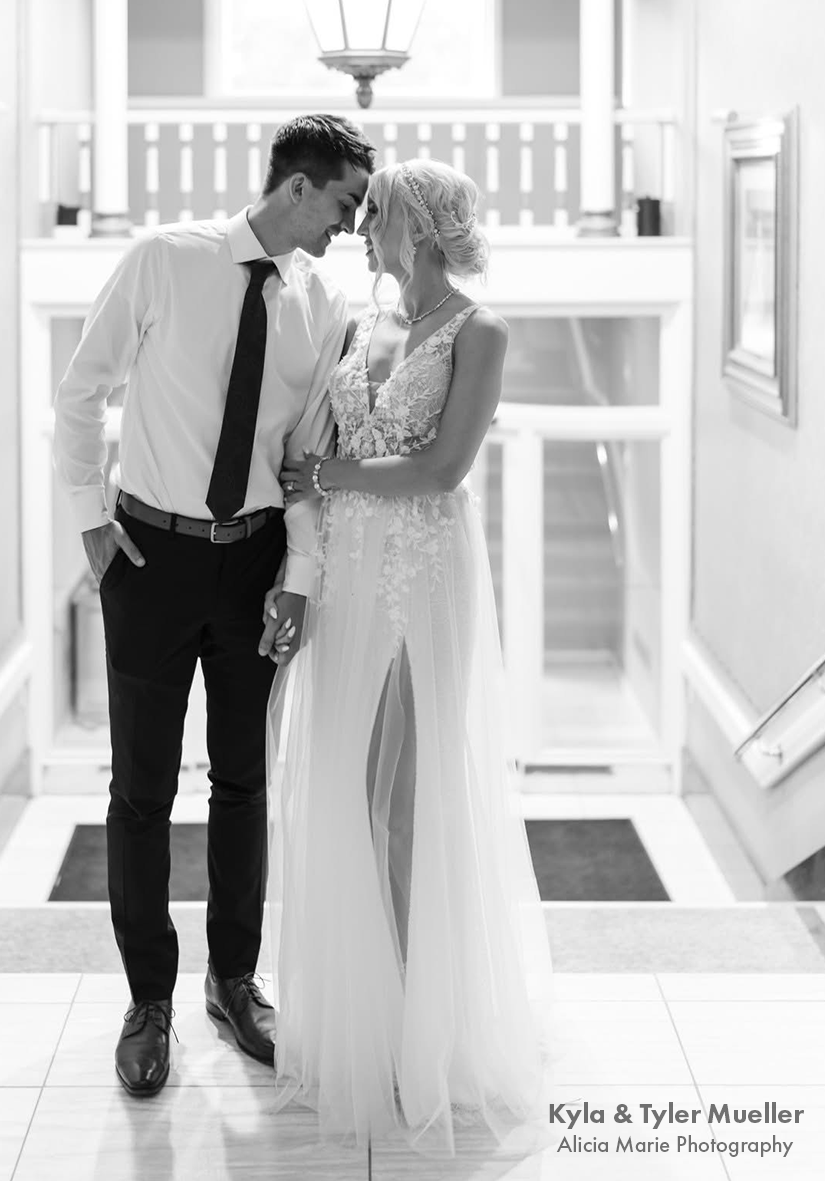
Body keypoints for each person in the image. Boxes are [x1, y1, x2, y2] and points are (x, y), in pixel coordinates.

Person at [52, 114, 375, 1097]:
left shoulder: (323, 303)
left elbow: (303, 457)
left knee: (242, 783)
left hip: (255, 565)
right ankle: (147, 1000)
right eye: (343, 204)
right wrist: (90, 522)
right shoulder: (164, 260)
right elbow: (80, 391)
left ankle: (233, 983)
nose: (350, 225)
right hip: (148, 559)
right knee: (141, 791)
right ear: (296, 188)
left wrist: (300, 576)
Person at [268, 158, 552, 1154]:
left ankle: (421, 1026)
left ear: (419, 228)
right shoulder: (362, 325)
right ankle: (366, 1006)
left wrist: (327, 473)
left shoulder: (480, 332)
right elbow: (315, 446)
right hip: (347, 572)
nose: (359, 229)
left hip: (421, 572)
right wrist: (300, 563)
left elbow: (440, 467)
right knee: (343, 788)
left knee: (404, 801)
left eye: (375, 214)